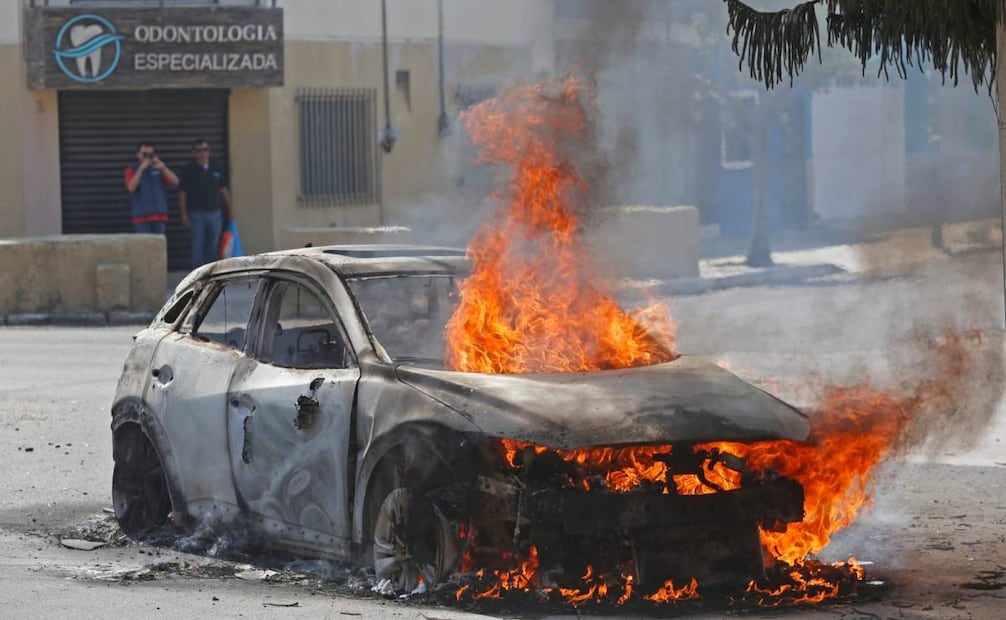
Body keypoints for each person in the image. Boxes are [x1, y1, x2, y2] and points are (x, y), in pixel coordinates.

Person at [178, 138, 234, 268]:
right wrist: (184, 214)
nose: (202, 153)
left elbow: (223, 189)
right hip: (196, 214)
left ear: (209, 151)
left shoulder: (216, 167)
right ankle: (197, 275)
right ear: (194, 153)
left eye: (205, 150)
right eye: (199, 150)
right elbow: (182, 193)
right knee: (197, 247)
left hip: (215, 214)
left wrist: (230, 210)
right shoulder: (189, 170)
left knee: (212, 247)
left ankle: (210, 274)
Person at [124, 142, 179, 234]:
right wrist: (141, 169)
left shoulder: (158, 168)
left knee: (159, 242)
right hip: (142, 217)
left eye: (150, 155)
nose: (147, 158)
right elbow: (131, 187)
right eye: (144, 154)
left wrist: (163, 168)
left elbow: (175, 182)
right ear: (138, 155)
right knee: (144, 243)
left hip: (159, 215)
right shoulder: (132, 170)